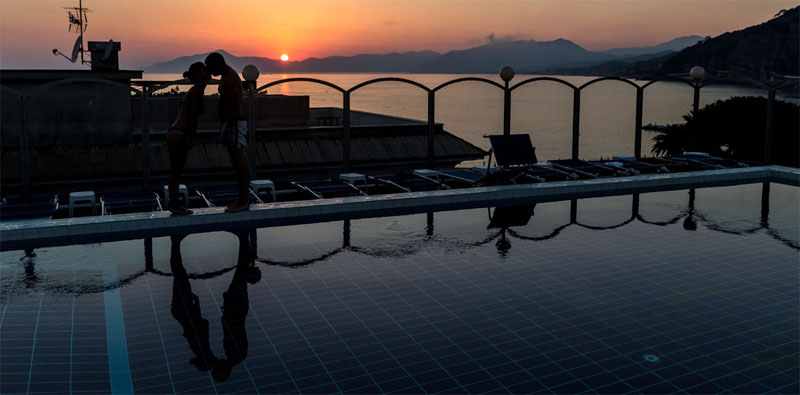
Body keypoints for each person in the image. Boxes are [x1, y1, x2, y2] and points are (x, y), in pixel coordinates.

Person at [204, 52, 251, 213]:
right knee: (236, 162)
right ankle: (242, 199)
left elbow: (234, 105)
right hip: (231, 123)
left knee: (239, 162)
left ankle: (244, 200)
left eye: (211, 68)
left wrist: (229, 128)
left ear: (218, 64)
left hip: (234, 123)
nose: (210, 72)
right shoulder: (226, 75)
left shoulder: (230, 78)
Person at [166, 62, 210, 215]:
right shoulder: (196, 91)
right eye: (205, 70)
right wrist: (191, 136)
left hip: (176, 131)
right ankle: (174, 205)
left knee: (177, 171)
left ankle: (175, 204)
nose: (208, 72)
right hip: (179, 133)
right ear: (199, 74)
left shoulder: (197, 89)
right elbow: (192, 117)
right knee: (176, 172)